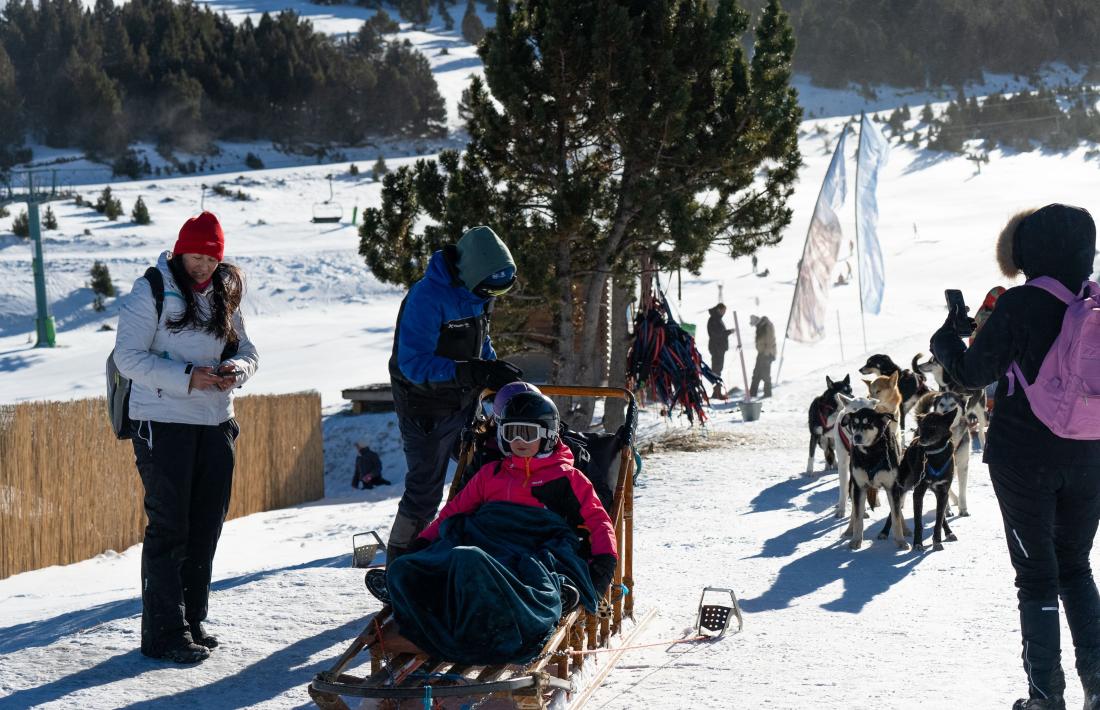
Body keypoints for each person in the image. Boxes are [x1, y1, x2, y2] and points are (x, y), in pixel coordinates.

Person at [931, 204, 1100, 710]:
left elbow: (967, 375)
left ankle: (1045, 699)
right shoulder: (1094, 300)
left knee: (1037, 578)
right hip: (1091, 455)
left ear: (1028, 250)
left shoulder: (1020, 303)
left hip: (1024, 458)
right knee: (1075, 567)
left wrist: (946, 339)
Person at [368, 391, 618, 663]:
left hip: (531, 548)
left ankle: (521, 602)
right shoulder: (490, 474)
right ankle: (407, 589)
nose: (519, 441)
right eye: (511, 433)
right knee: (410, 566)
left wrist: (604, 563)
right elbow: (453, 511)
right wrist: (423, 543)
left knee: (468, 560)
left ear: (547, 435)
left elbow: (598, 520)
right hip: (485, 536)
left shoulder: (568, 477)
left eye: (527, 433)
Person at [113, 211, 258, 664]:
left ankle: (192, 621)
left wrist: (236, 369)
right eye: (195, 256)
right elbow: (127, 359)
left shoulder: (222, 294)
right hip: (162, 422)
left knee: (205, 529)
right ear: (180, 252)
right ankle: (163, 635)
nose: (203, 266)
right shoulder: (151, 290)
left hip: (215, 424)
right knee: (170, 529)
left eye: (211, 258)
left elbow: (248, 351)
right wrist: (187, 377)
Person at [386, 226, 523, 562]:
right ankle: (399, 567)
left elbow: (480, 343)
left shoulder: (478, 293)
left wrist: (493, 372)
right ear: (471, 274)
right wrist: (470, 371)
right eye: (488, 289)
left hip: (465, 403)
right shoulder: (427, 298)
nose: (489, 298)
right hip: (425, 409)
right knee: (424, 493)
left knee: (480, 479)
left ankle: (463, 556)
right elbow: (412, 365)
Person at [707, 303, 733, 399]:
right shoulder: (714, 319)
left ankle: (717, 392)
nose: (724, 312)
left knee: (718, 369)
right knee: (716, 370)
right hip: (716, 348)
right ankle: (716, 393)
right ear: (719, 309)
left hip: (719, 348)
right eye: (723, 310)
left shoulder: (717, 319)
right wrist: (728, 332)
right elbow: (717, 334)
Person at [749, 314, 776, 398]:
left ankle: (768, 393)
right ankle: (752, 394)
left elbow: (770, 340)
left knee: (765, 374)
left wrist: (766, 353)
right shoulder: (760, 326)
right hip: (761, 353)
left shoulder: (767, 325)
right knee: (756, 373)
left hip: (767, 354)